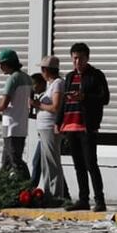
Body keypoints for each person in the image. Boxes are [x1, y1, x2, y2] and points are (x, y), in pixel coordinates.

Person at [57, 42, 111, 212]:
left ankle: (99, 200)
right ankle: (83, 199)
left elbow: (104, 98)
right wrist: (58, 123)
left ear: (87, 58)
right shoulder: (70, 77)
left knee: (91, 163)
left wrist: (84, 96)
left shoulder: (96, 75)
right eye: (74, 59)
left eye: (80, 58)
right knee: (78, 165)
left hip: (87, 126)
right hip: (71, 125)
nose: (77, 62)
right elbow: (63, 103)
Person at [0, 49, 32, 180]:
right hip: (21, 126)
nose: (1, 67)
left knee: (15, 162)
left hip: (11, 127)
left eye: (2, 64)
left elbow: (3, 104)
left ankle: (27, 187)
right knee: (7, 162)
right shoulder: (27, 78)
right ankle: (3, 187)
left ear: (9, 63)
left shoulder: (12, 79)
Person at [32, 55, 69, 200]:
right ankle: (49, 191)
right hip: (44, 128)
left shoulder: (58, 84)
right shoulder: (51, 85)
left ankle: (55, 194)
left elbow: (55, 107)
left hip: (49, 127)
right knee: (46, 163)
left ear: (46, 70)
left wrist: (38, 105)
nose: (41, 73)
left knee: (52, 162)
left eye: (42, 69)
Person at [29, 72, 47, 189]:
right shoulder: (40, 97)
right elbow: (39, 115)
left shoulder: (46, 96)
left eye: (34, 85)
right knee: (43, 164)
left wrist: (36, 105)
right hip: (42, 134)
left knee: (37, 162)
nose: (33, 88)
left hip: (46, 134)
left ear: (41, 84)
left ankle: (31, 188)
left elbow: (48, 113)